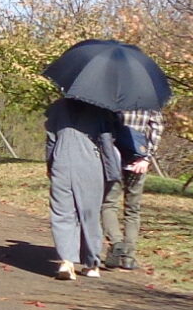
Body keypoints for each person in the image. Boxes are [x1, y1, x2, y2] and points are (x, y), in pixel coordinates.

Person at [46, 96, 136, 278]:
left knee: (62, 213)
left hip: (61, 160)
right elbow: (108, 138)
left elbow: (50, 139)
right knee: (90, 214)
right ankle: (91, 264)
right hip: (91, 162)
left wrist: (49, 164)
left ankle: (66, 262)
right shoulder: (102, 107)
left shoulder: (58, 106)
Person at [102, 107, 162, 267]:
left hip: (114, 157)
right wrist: (147, 158)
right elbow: (156, 128)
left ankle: (116, 242)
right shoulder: (150, 101)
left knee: (108, 205)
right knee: (133, 210)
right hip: (138, 159)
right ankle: (128, 257)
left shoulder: (113, 99)